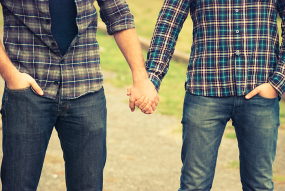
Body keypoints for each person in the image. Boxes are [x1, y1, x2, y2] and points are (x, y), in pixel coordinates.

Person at [0, 0, 158, 190]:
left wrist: (140, 78)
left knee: (88, 186)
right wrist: (10, 74)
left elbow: (118, 13)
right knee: (18, 185)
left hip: (85, 86)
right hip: (28, 89)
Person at [135, 0, 285, 190]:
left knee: (260, 185)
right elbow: (169, 22)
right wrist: (152, 79)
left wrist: (277, 82)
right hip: (205, 91)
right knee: (194, 185)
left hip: (259, 93)